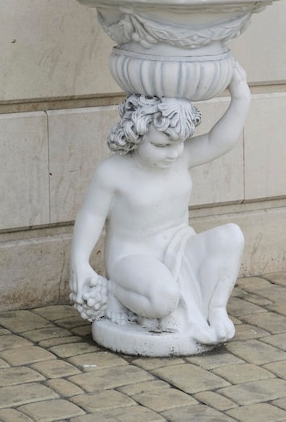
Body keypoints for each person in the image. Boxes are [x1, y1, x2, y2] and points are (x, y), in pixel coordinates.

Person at [69, 62, 251, 345]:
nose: (173, 153)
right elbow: (91, 216)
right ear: (136, 134)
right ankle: (117, 292)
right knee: (164, 298)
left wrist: (241, 98)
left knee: (231, 236)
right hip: (133, 258)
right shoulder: (113, 172)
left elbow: (220, 141)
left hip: (178, 248)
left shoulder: (181, 157)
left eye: (179, 142)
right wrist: (79, 263)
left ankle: (214, 309)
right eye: (161, 144)